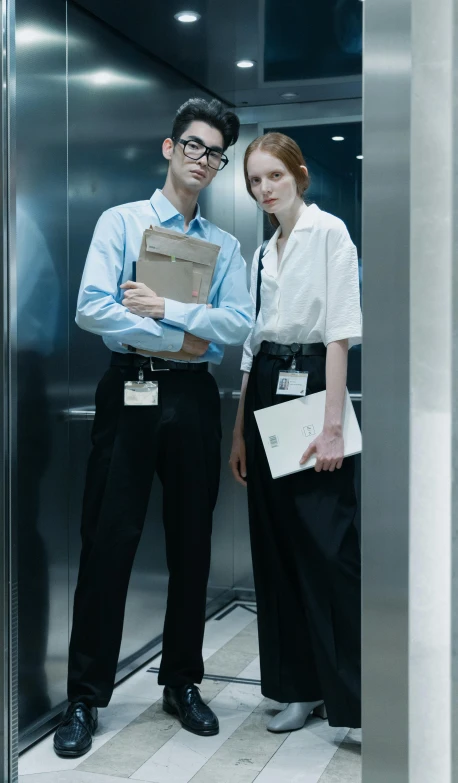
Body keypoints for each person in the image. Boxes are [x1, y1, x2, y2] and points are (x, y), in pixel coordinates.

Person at [53, 98, 252, 758]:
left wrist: (162, 306)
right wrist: (181, 336)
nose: (203, 160)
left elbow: (236, 325)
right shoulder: (122, 222)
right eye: (194, 146)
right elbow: (92, 308)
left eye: (215, 154)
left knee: (194, 541)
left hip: (194, 399)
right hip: (129, 389)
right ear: (170, 148)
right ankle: (84, 696)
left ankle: (182, 680)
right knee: (108, 538)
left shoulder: (226, 245)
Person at [229, 132, 362, 733]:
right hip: (264, 391)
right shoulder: (263, 253)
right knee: (276, 548)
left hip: (312, 384)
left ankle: (357, 701)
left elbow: (338, 334)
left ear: (298, 174)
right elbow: (253, 346)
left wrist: (332, 428)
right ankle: (298, 688)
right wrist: (239, 432)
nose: (264, 189)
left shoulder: (329, 232)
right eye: (255, 181)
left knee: (330, 550)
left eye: (273, 177)